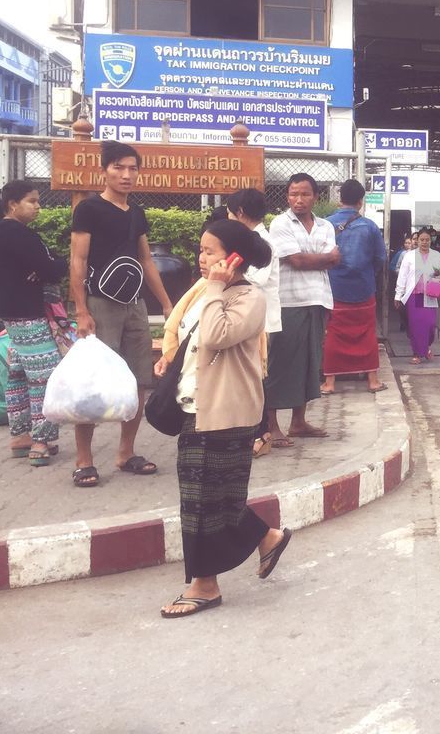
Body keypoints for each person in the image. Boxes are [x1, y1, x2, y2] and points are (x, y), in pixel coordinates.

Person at [154, 219, 292, 618]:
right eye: (201, 250)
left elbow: (216, 336)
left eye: (211, 251)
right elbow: (192, 339)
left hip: (227, 412)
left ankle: (205, 586)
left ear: (234, 258)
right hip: (197, 409)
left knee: (205, 503)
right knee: (209, 499)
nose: (202, 259)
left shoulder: (249, 298)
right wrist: (170, 361)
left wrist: (215, 288)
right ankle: (268, 538)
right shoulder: (206, 293)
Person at [68, 141, 174, 488]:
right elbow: (78, 261)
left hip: (134, 306)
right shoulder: (89, 210)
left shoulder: (136, 213)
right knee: (92, 383)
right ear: (104, 170)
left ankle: (125, 453)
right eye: (118, 168)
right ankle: (84, 460)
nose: (126, 175)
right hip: (99, 304)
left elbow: (146, 261)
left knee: (139, 380)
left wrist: (167, 303)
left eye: (132, 168)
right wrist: (81, 310)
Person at [0, 180, 67, 466]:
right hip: (30, 313)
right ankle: (40, 441)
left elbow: (40, 266)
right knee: (44, 376)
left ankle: (20, 436)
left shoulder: (0, 232)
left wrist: (43, 266)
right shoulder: (17, 233)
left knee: (19, 373)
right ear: (13, 204)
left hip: (11, 313)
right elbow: (52, 267)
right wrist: (54, 264)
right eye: (32, 201)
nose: (38, 207)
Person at [264, 173, 339, 443]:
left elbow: (335, 258)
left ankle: (298, 422)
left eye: (305, 194)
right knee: (280, 362)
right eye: (294, 194)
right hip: (289, 302)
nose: (299, 199)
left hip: (318, 300)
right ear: (287, 196)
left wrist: (315, 258)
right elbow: (295, 260)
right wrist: (321, 258)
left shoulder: (325, 226)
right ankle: (271, 425)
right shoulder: (280, 224)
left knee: (310, 362)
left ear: (315, 197)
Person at [226, 189, 280, 457]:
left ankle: (263, 435)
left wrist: (228, 276)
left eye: (229, 213)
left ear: (240, 213)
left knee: (257, 381)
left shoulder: (262, 242)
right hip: (251, 320)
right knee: (251, 379)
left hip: (261, 322)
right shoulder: (251, 239)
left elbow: (256, 279)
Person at [322, 180, 388, 394]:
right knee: (367, 332)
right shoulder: (369, 226)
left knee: (333, 332)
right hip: (363, 288)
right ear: (361, 201)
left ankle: (330, 382)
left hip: (333, 289)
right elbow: (380, 258)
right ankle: (372, 380)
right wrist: (369, 273)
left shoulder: (325, 224)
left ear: (340, 198)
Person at [394, 228, 440, 364]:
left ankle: (426, 347)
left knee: (430, 325)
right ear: (417, 241)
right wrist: (398, 295)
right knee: (416, 325)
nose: (424, 242)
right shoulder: (410, 256)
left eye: (427, 240)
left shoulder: (436, 255)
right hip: (415, 295)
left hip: (429, 294)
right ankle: (417, 353)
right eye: (421, 240)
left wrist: (438, 273)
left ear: (431, 241)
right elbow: (403, 276)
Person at [390, 236, 414, 333]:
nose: (408, 245)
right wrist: (402, 273)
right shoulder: (402, 254)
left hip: (414, 286)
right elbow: (393, 266)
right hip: (404, 285)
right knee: (403, 306)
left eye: (409, 242)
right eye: (406, 243)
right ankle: (405, 323)